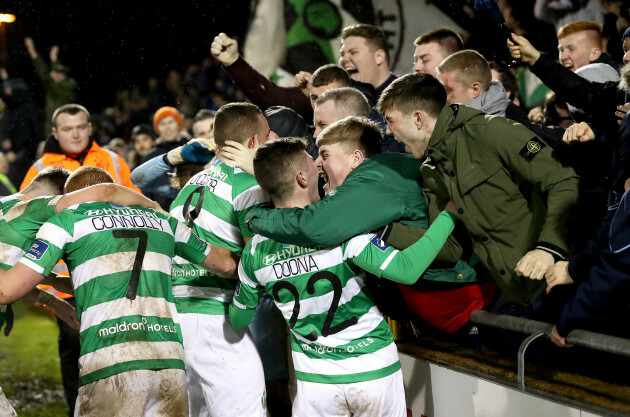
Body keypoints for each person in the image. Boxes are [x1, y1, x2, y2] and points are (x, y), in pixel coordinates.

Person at [230, 136, 459, 417]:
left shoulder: (254, 251)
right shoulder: (341, 231)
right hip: (372, 372)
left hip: (315, 388)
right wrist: (448, 217)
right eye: (311, 162)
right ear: (302, 178)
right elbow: (407, 269)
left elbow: (239, 319)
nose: (317, 164)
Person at [0, 167, 239, 417]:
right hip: (168, 361)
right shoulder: (165, 221)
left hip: (109, 361)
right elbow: (225, 264)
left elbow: (7, 290)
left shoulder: (67, 220)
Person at [377, 73, 579, 314]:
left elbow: (564, 179)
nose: (389, 132)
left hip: (562, 284)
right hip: (517, 296)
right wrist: (382, 231)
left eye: (391, 120)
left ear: (418, 118)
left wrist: (548, 248)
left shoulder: (491, 131)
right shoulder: (431, 171)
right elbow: (448, 248)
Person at [169, 102, 270, 417]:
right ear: (252, 142)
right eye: (267, 137)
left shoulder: (194, 182)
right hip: (214, 319)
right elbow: (258, 259)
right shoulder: (248, 184)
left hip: (176, 315)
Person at [20, 104, 140, 193]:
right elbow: (24, 214)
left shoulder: (113, 159)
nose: (75, 135)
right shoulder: (40, 168)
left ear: (89, 128)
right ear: (55, 133)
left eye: (81, 128)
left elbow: (137, 202)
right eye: (67, 129)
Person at [23, 37, 78, 136]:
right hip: (63, 129)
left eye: (56, 73)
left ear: (61, 77)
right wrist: (53, 59)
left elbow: (43, 73)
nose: (52, 74)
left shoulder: (59, 89)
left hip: (57, 130)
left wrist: (32, 51)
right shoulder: (66, 86)